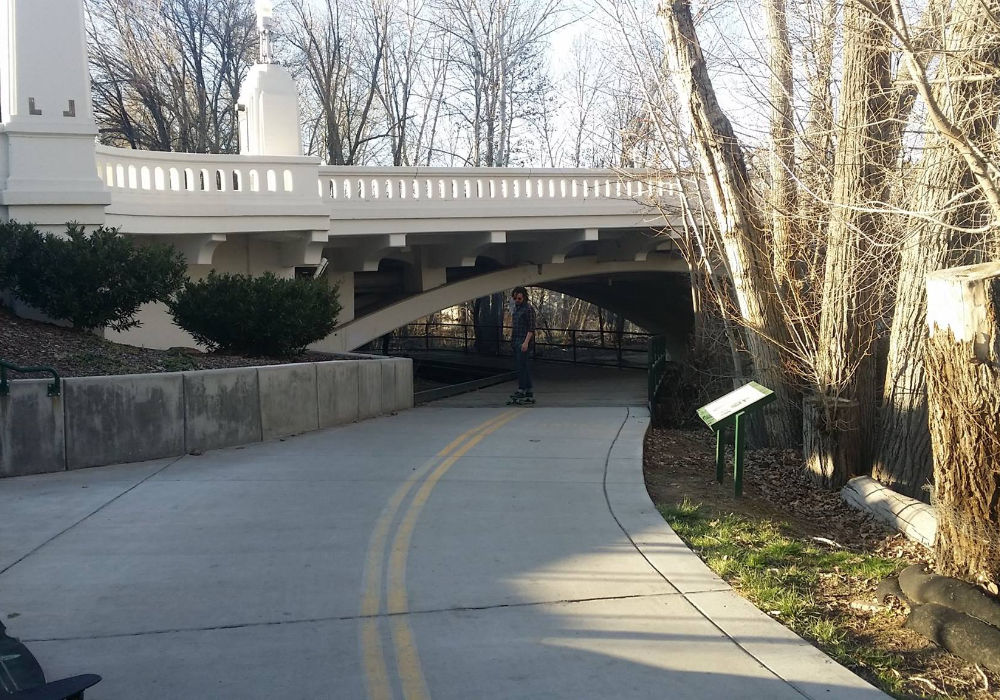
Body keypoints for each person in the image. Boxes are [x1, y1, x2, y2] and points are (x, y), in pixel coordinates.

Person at [508, 286, 536, 404]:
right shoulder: (516, 308)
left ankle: (522, 388)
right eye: (515, 298)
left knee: (522, 366)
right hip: (516, 339)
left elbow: (531, 328)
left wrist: (526, 342)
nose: (517, 300)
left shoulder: (528, 309)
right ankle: (527, 389)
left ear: (524, 297)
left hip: (523, 340)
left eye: (519, 298)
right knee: (522, 365)